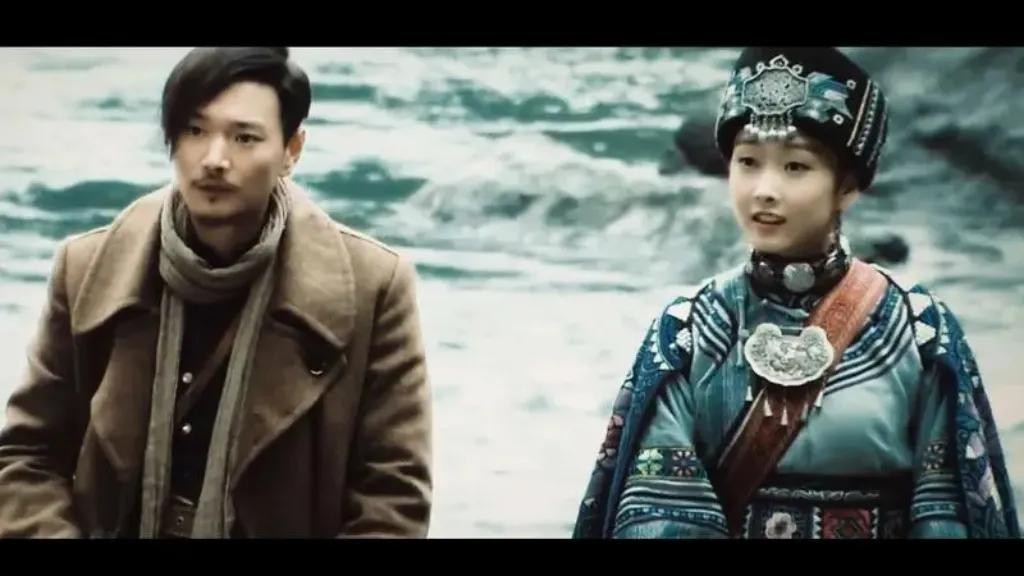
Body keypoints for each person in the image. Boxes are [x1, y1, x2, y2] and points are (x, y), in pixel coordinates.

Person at [573, 47, 1019, 539]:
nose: (764, 189)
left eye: (795, 167)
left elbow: (946, 514)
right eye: (748, 162)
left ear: (848, 186)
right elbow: (660, 517)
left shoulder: (916, 329)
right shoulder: (688, 330)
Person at [0, 47, 432, 538]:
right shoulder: (87, 270)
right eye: (194, 131)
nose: (214, 159)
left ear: (292, 150)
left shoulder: (373, 288)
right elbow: (26, 458)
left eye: (244, 137)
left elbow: (392, 497)